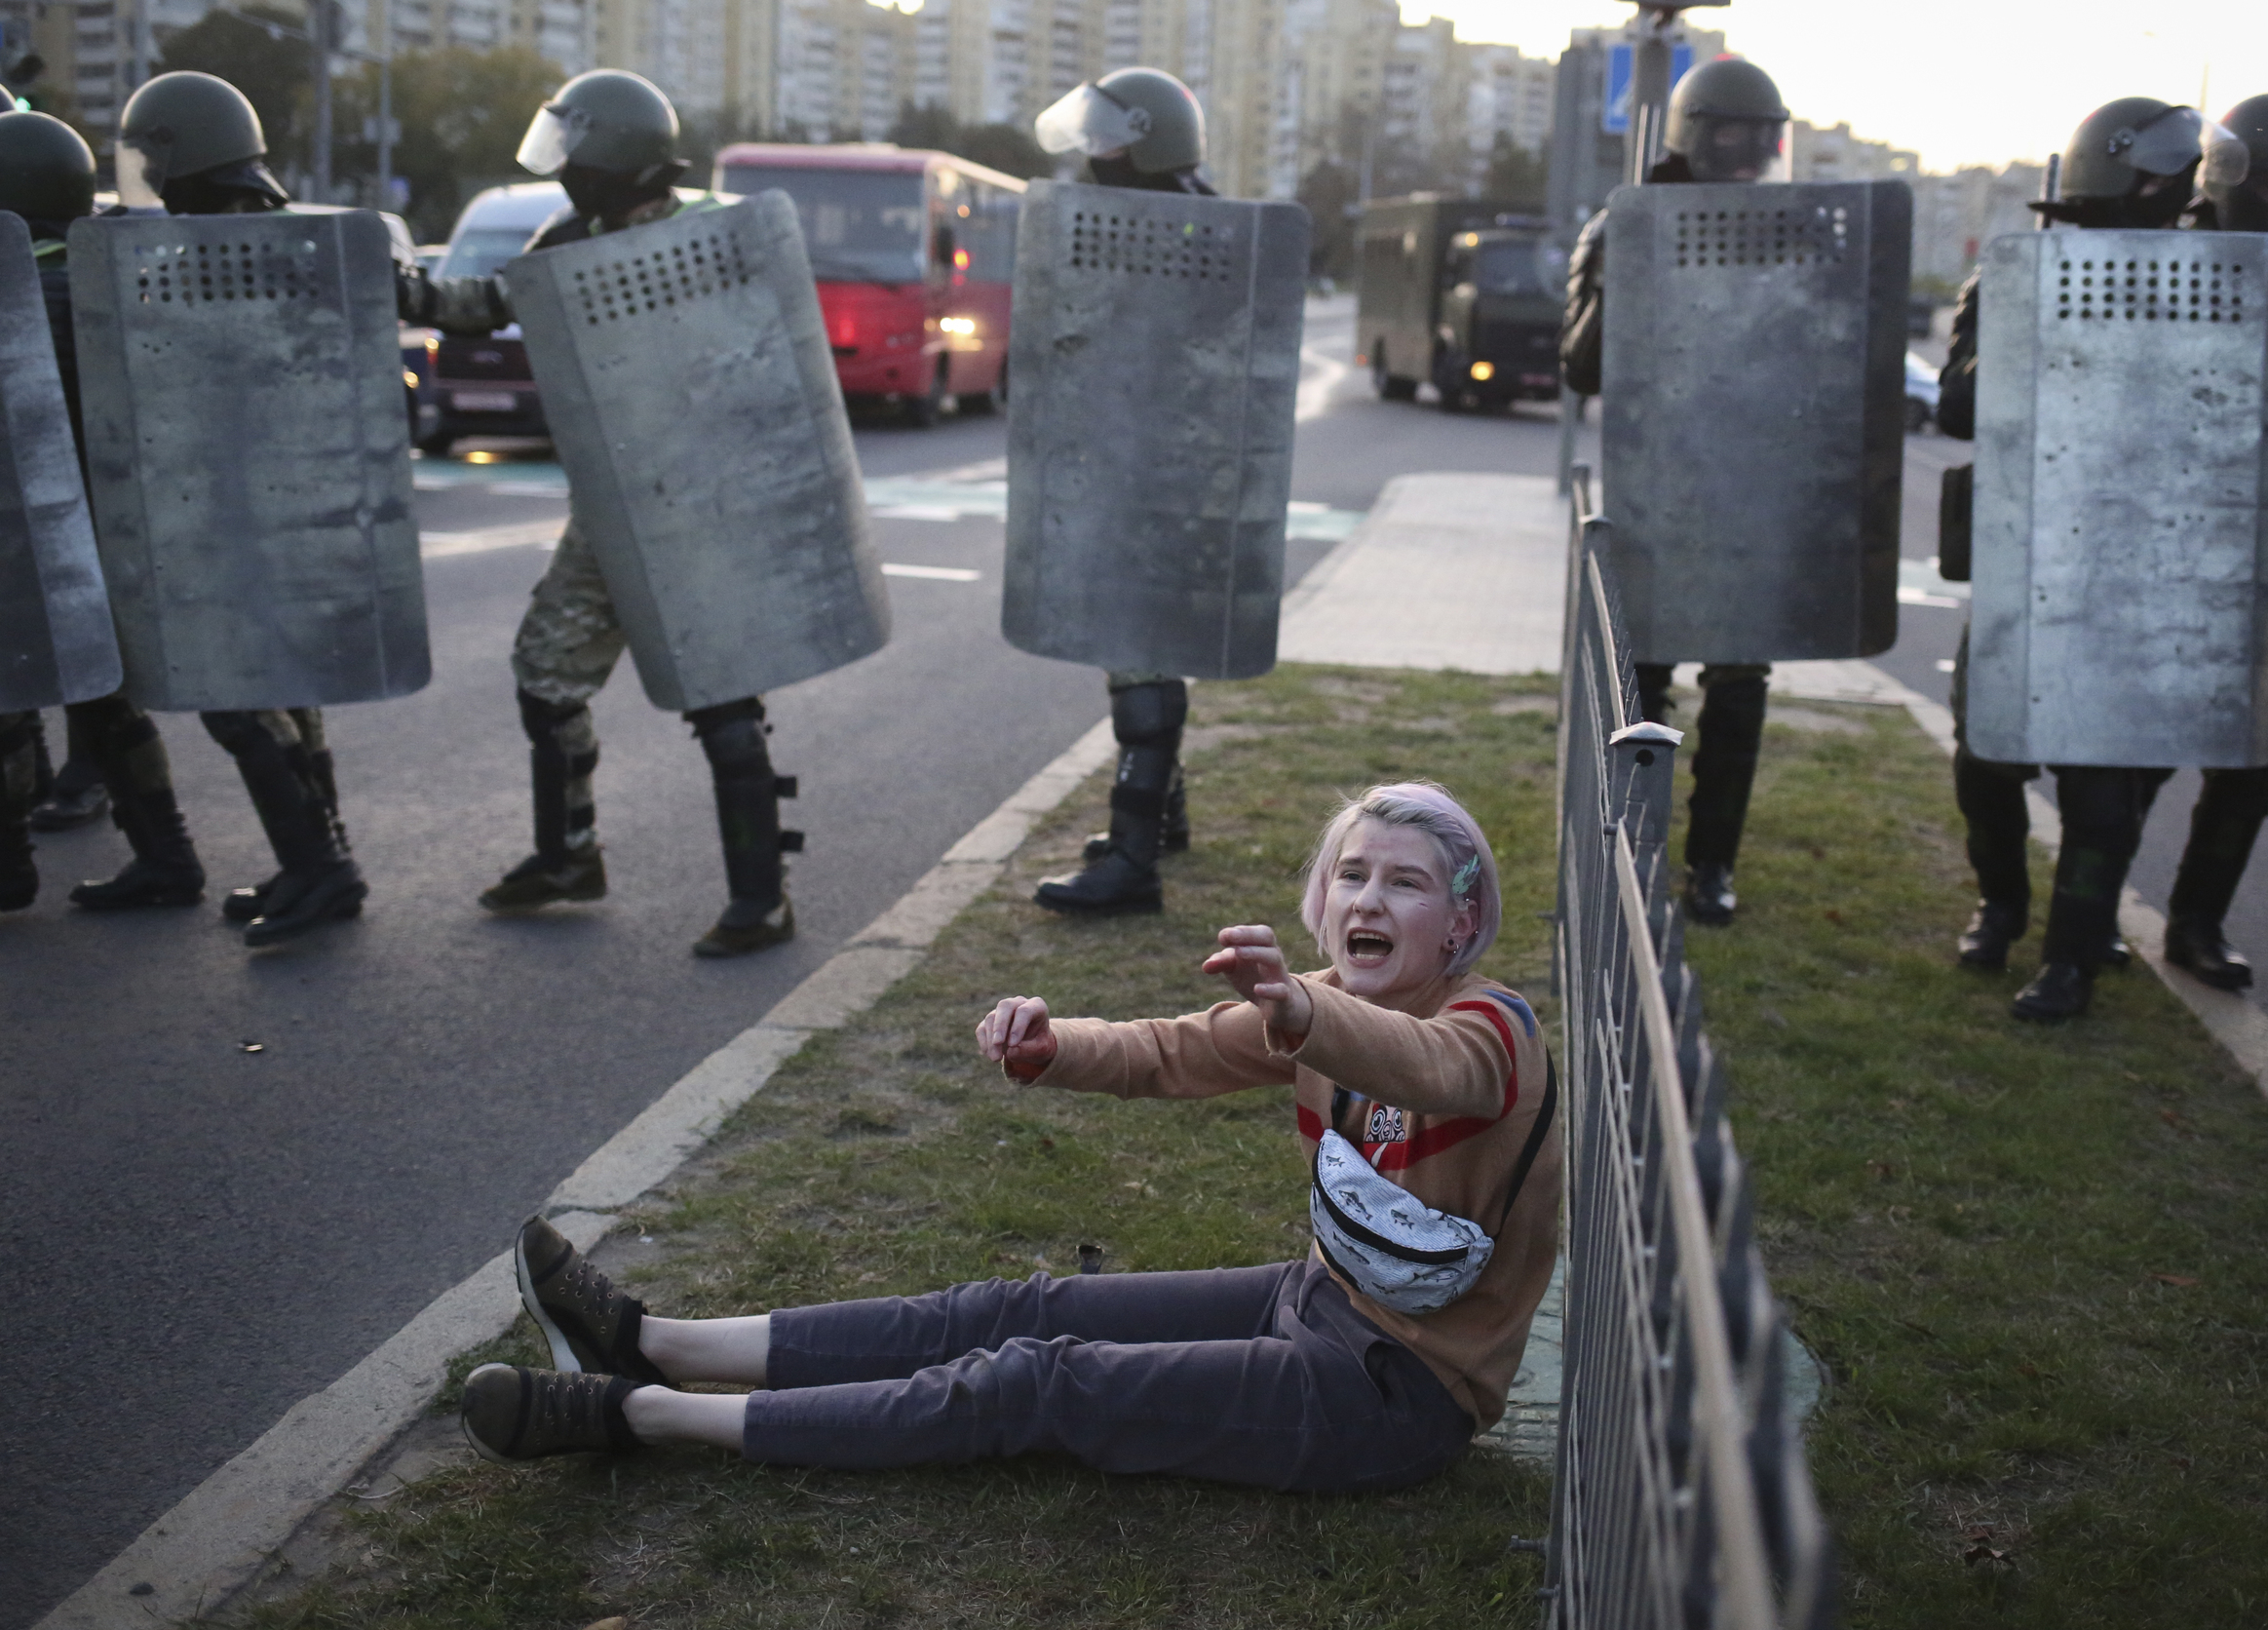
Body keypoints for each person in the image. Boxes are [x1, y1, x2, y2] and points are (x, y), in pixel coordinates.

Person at [458, 784, 1559, 1493]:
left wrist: (1305, 1014)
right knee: (1013, 1310)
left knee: (1043, 1381)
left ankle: (633, 1415)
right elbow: (1171, 1049)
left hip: (1395, 1394)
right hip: (1312, 1299)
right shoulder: (1310, 1004)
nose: (1370, 896)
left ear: (1461, 923)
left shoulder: (1491, 1030)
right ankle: (660, 1339)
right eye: (1353, 874)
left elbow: (1431, 1070)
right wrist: (1048, 1043)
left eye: (1406, 882)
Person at [403, 69, 797, 958]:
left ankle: (762, 897)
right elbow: (489, 304)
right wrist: (408, 290)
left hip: (705, 498)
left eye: (575, 151)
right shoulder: (574, 232)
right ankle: (568, 857)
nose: (564, 169)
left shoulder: (712, 231)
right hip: (615, 501)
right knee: (546, 674)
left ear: (611, 153)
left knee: (721, 695)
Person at [1932, 97, 2210, 1020]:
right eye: (2151, 178)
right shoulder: (2016, 273)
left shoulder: (2209, 275)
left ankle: (2074, 958)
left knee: (2103, 790)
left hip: (2137, 572)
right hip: (2026, 556)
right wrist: (2046, 326)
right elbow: (1959, 406)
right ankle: (2003, 904)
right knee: (1985, 761)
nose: (2168, 194)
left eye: (2179, 180)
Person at [88, 72, 371, 944]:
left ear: (185, 158)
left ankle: (320, 868)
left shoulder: (249, 246)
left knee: (238, 692)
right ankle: (320, 863)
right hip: (277, 497)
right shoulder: (261, 236)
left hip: (255, 499)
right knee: (281, 691)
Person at [1560, 57, 1792, 927]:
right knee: (1640, 686)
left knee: (1739, 684)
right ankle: (1636, 850)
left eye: (1760, 136)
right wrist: (1627, 272)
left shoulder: (1785, 230)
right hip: (1655, 490)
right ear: (1697, 135)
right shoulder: (1624, 224)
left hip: (1746, 493)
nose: (1748, 153)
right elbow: (1581, 366)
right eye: (1731, 133)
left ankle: (1713, 865)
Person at [2122, 92, 2268, 992]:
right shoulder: (2176, 258)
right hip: (2176, 541)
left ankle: (2198, 924)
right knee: (2130, 749)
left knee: (2254, 753)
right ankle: (2090, 919)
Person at [0, 109, 209, 920]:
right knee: (106, 701)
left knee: (10, 697)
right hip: (105, 525)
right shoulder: (105, 283)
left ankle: (10, 863)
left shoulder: (14, 294)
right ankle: (166, 853)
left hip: (21, 531)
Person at [1022, 67, 1213, 917]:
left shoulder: (1179, 228)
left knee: (1138, 650)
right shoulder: (1186, 211)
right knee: (1137, 646)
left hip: (1159, 468)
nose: (1095, 154)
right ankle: (1156, 821)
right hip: (1146, 461)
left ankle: (1134, 861)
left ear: (1148, 138)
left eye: (1110, 139)